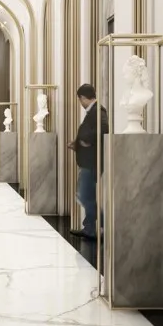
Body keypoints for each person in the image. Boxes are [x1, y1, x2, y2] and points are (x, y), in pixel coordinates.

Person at [67, 84, 109, 240]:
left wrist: (86, 140)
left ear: (83, 98)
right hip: (88, 161)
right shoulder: (94, 111)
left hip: (91, 163)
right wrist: (77, 144)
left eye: (80, 99)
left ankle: (103, 223)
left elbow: (104, 129)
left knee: (84, 195)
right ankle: (91, 228)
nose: (80, 103)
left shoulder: (98, 111)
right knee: (87, 195)